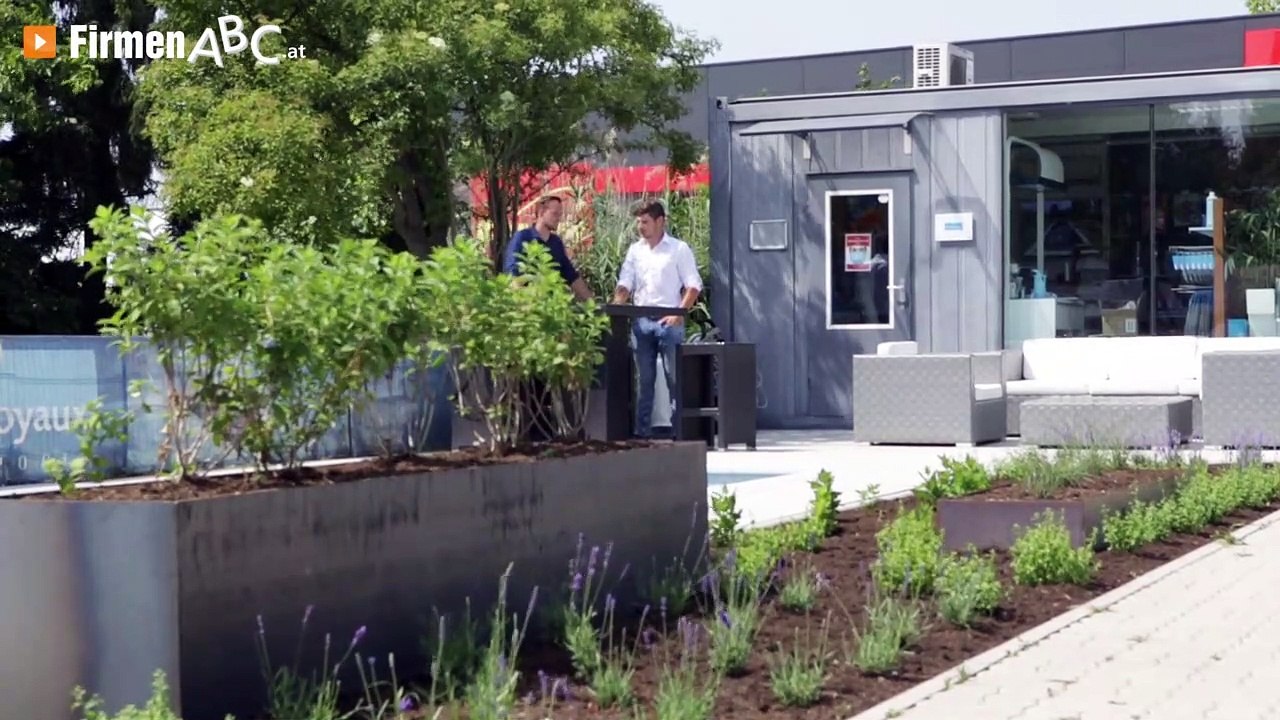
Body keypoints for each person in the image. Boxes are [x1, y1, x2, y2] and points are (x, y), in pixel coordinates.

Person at [612, 201, 702, 439]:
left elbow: (693, 286)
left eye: (645, 222)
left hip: (668, 319)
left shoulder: (678, 249)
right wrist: (615, 307)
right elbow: (625, 282)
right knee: (645, 379)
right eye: (639, 222)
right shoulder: (635, 251)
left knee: (675, 378)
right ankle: (642, 432)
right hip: (641, 320)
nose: (641, 227)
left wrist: (678, 313)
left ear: (660, 221)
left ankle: (679, 431)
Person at [501, 196, 592, 302]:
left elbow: (571, 275)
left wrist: (593, 303)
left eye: (560, 214)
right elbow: (513, 275)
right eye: (554, 213)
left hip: (550, 306)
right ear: (541, 213)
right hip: (526, 305)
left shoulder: (556, 243)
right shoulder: (522, 238)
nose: (558, 218)